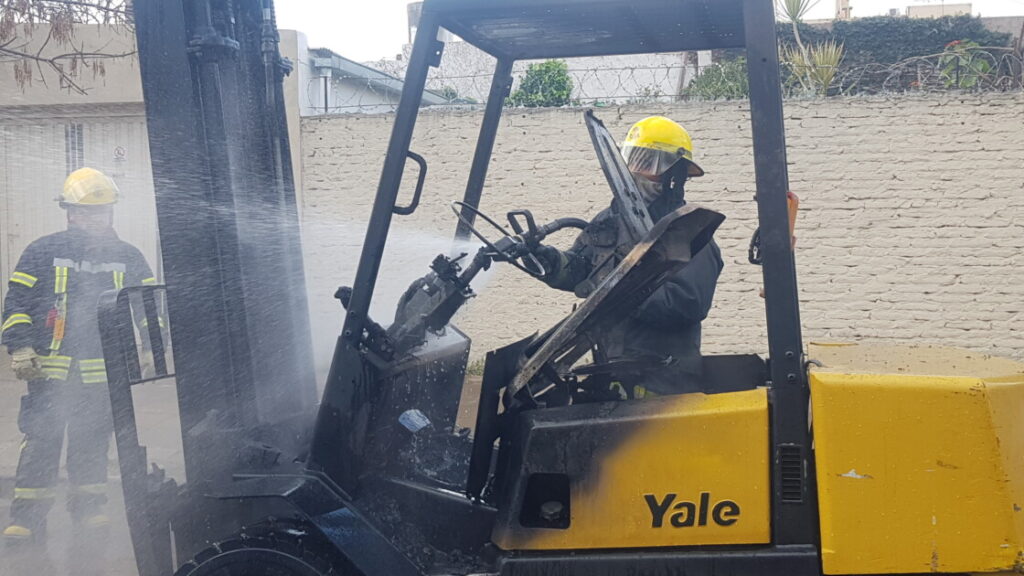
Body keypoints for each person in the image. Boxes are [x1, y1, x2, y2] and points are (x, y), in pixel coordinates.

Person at [1, 167, 157, 547]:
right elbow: (16, 302)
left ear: (111, 212)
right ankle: (27, 518)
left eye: (101, 211)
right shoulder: (42, 251)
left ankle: (87, 508)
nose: (94, 218)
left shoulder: (128, 256)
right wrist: (20, 346)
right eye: (86, 212)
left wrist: (154, 345)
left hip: (103, 376)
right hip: (48, 376)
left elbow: (150, 306)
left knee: (91, 443)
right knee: (41, 442)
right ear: (70, 213)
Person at [532, 116, 723, 396]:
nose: (638, 171)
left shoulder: (690, 232)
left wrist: (617, 289)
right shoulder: (609, 220)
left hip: (664, 384)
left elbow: (687, 304)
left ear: (676, 174)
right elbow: (584, 271)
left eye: (650, 164)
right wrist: (550, 263)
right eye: (635, 161)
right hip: (613, 374)